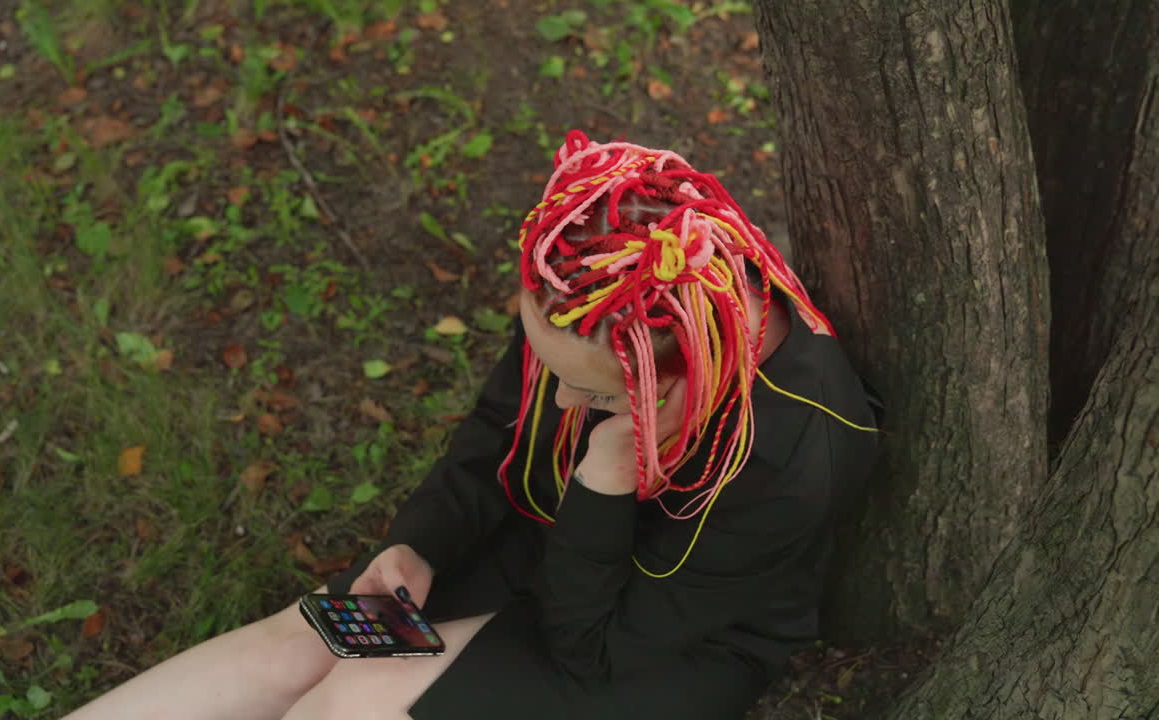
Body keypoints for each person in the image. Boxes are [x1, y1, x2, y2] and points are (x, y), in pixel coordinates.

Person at [65, 130, 880, 720]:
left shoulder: (793, 447)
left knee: (358, 701)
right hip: (537, 546)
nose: (561, 405)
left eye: (591, 397)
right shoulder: (598, 292)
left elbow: (591, 648)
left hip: (652, 644)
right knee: (302, 646)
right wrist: (418, 544)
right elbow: (496, 435)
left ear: (676, 375)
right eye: (550, 370)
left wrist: (601, 484)